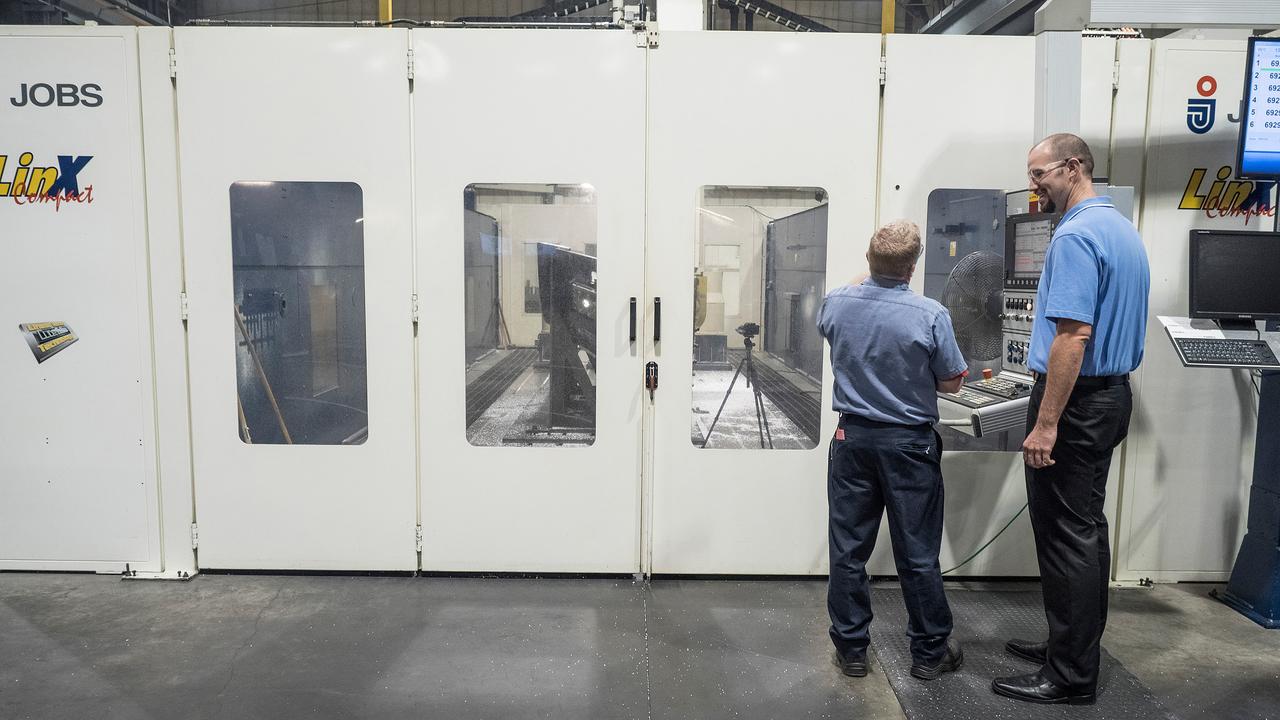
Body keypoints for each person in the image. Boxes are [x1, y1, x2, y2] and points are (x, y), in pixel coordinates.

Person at [992, 134, 1150, 705]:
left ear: (1074, 166)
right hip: (1109, 398)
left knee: (1066, 537)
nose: (1034, 186)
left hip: (1076, 403)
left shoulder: (1077, 235)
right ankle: (1073, 647)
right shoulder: (1121, 229)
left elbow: (1072, 336)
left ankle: (1070, 676)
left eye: (1040, 175)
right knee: (1085, 529)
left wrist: (1047, 422)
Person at [818, 220, 968, 682]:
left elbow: (847, 303)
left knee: (848, 551)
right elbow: (951, 380)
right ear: (913, 266)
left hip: (852, 441)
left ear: (868, 259)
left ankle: (852, 651)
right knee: (917, 553)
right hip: (908, 445)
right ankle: (928, 654)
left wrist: (870, 278)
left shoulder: (836, 304)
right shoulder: (930, 314)